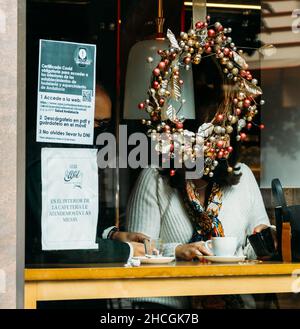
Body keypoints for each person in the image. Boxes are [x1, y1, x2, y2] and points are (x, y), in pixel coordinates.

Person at [125, 57, 276, 309]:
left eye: (215, 142)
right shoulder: (155, 177)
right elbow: (137, 253)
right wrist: (178, 250)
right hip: (164, 306)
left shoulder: (243, 176)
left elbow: (255, 251)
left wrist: (262, 241)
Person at [26, 83, 147, 265]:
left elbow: (73, 219)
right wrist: (127, 251)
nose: (95, 131)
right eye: (94, 122)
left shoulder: (67, 153)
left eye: (103, 124)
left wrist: (112, 235)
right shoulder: (45, 157)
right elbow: (65, 243)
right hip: (36, 277)